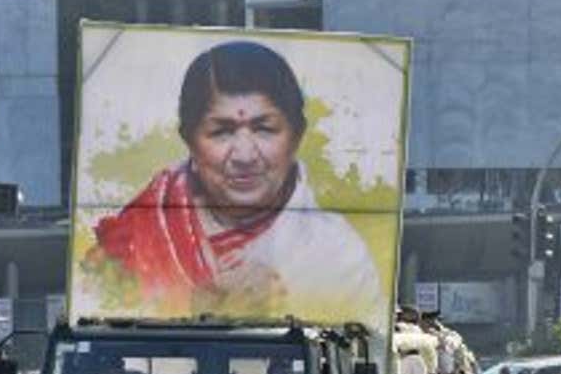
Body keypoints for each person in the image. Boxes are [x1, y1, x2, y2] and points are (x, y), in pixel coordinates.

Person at [89, 40, 382, 325]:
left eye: (264, 129)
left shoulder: (339, 256)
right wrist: (197, 308)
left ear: (296, 136)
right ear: (189, 139)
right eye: (222, 132)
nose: (244, 155)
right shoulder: (134, 235)